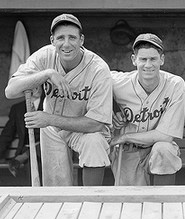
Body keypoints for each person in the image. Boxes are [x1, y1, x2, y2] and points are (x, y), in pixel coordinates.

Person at [4, 14, 113, 186]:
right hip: (52, 130)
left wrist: (49, 119)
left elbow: (97, 123)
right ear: (52, 40)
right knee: (57, 188)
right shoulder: (45, 56)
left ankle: (92, 201)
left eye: (72, 37)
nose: (66, 43)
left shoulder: (98, 69)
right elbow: (10, 91)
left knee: (94, 143)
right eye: (60, 38)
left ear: (81, 40)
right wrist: (47, 74)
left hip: (83, 128)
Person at [109, 33, 185, 186]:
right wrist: (111, 111)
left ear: (162, 59)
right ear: (134, 60)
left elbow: (165, 136)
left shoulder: (175, 84)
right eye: (143, 59)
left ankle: (165, 204)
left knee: (164, 150)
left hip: (155, 146)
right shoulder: (117, 82)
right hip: (129, 151)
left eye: (153, 59)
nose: (148, 65)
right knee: (132, 205)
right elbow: (93, 83)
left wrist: (125, 137)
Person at [0, 87, 44, 178]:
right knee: (29, 163)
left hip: (45, 149)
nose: (36, 88)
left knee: (36, 162)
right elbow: (7, 135)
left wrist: (24, 156)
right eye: (32, 85)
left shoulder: (49, 105)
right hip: (24, 151)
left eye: (39, 85)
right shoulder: (18, 108)